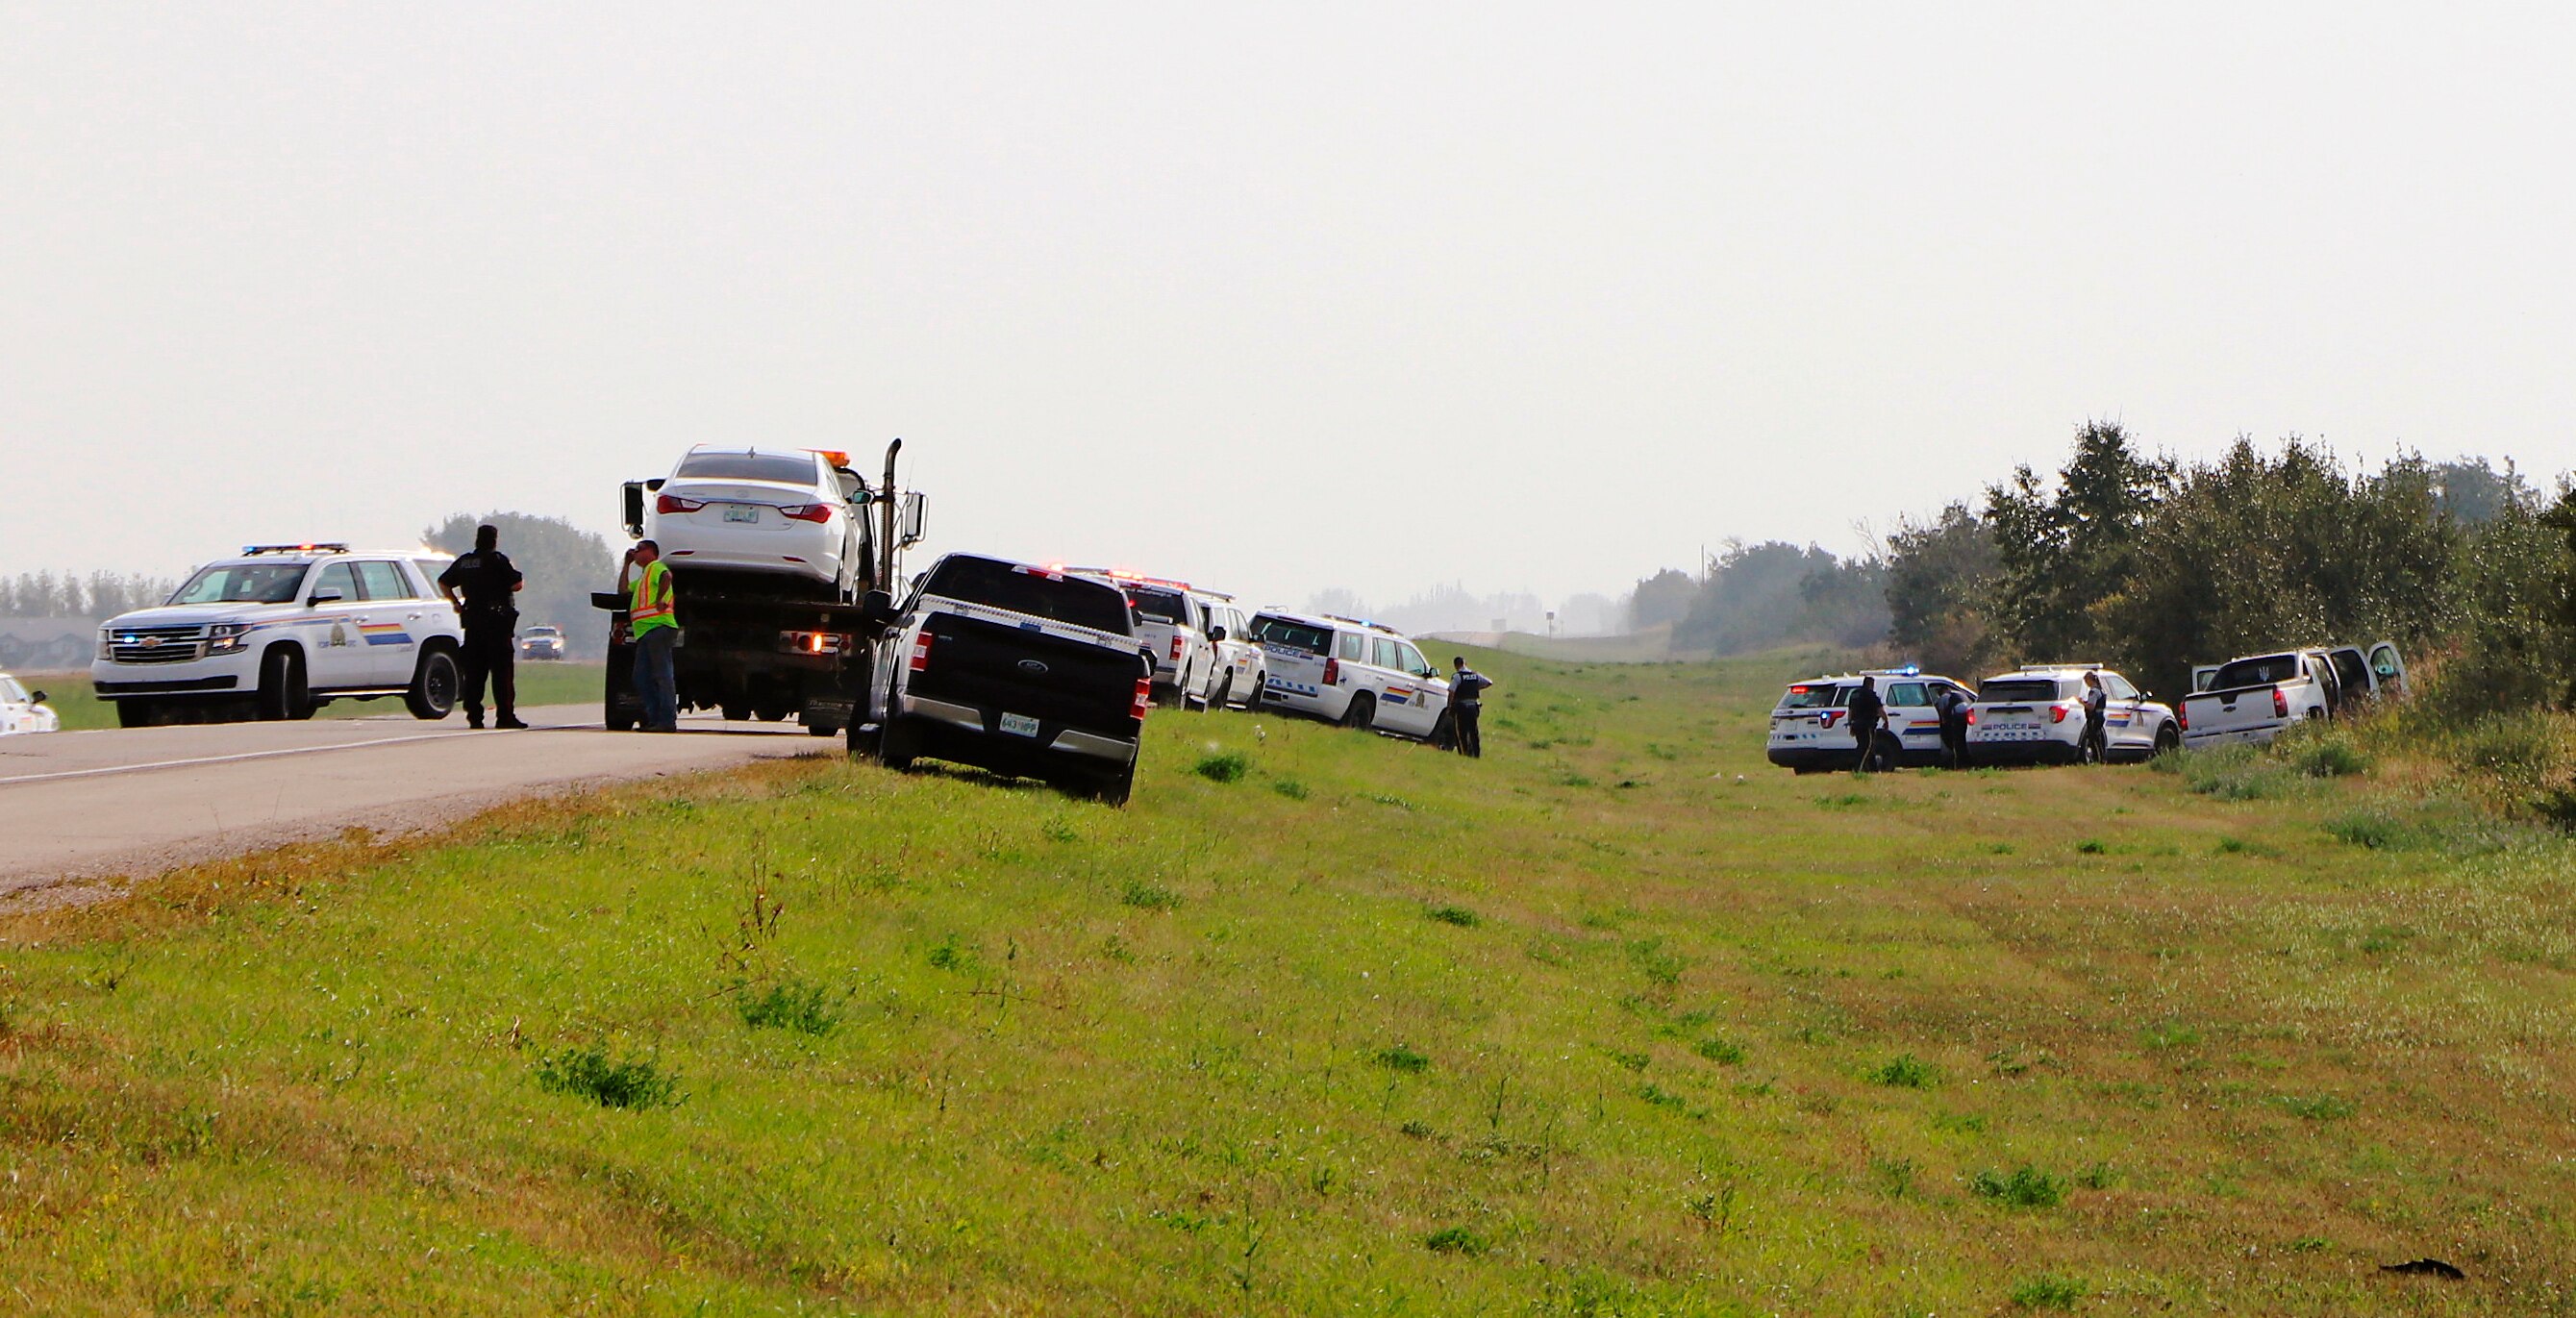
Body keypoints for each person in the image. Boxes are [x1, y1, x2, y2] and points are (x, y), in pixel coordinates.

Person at [436, 524, 527, 730]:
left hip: (473, 624)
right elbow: (516, 584)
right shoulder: (498, 560)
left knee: (475, 672)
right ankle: (505, 716)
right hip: (497, 625)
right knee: (502, 673)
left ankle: (474, 716)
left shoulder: (466, 561)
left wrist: (456, 604)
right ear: (494, 539)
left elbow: (443, 582)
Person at [626, 539, 680, 732]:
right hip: (646, 632)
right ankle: (655, 718)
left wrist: (660, 600)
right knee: (641, 677)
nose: (635, 553)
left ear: (651, 552)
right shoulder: (643, 578)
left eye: (639, 550)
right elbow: (623, 589)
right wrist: (626, 565)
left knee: (662, 675)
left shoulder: (656, 567)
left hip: (658, 627)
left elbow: (667, 576)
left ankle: (667, 720)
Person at [1448, 656, 1493, 758]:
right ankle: (1477, 754)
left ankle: (1464, 753)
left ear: (1456, 665)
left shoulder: (1457, 676)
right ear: (1465, 663)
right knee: (1474, 731)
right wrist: (1476, 687)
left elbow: (1451, 691)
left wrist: (1450, 706)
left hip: (1462, 707)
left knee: (1462, 731)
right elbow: (1489, 682)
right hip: (1473, 707)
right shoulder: (1475, 675)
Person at [1845, 675, 1888, 774]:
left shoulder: (1855, 694)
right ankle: (1857, 769)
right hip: (1867, 725)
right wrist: (1886, 721)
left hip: (1856, 724)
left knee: (1866, 747)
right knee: (1866, 747)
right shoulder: (1871, 695)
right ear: (1871, 684)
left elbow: (1850, 711)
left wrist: (1850, 724)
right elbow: (1880, 710)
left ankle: (1872, 769)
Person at [1937, 684, 1972, 769]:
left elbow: (1942, 710)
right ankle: (1967, 761)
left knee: (1957, 740)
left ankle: (1959, 763)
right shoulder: (1960, 694)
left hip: (1957, 716)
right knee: (1963, 739)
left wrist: (1944, 721)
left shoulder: (1943, 697)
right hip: (1967, 716)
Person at [2080, 670, 2109, 764]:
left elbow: (2091, 706)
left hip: (2094, 717)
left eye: (2086, 681)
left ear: (2090, 680)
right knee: (2098, 738)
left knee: (2094, 739)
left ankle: (2099, 759)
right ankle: (2102, 758)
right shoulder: (2100, 690)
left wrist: (2081, 702)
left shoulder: (2093, 692)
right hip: (2100, 716)